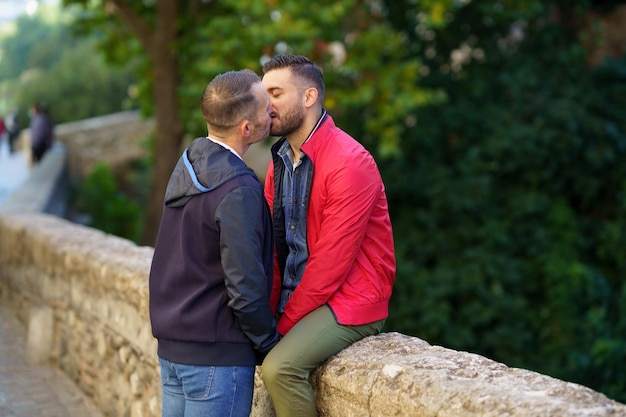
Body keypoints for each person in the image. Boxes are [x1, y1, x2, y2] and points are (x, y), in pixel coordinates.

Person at [260, 55, 396, 417]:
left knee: (279, 368)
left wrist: (282, 326)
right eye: (263, 93)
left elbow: (330, 265)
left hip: (351, 300)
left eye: (275, 92)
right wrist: (264, 315)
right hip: (301, 296)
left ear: (308, 97)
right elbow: (274, 251)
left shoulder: (350, 161)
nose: (265, 104)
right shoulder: (281, 163)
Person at [149, 69, 280, 417]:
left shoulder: (190, 163)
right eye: (266, 106)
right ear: (246, 129)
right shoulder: (238, 190)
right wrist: (269, 344)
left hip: (175, 349)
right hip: (216, 358)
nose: (273, 110)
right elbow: (245, 285)